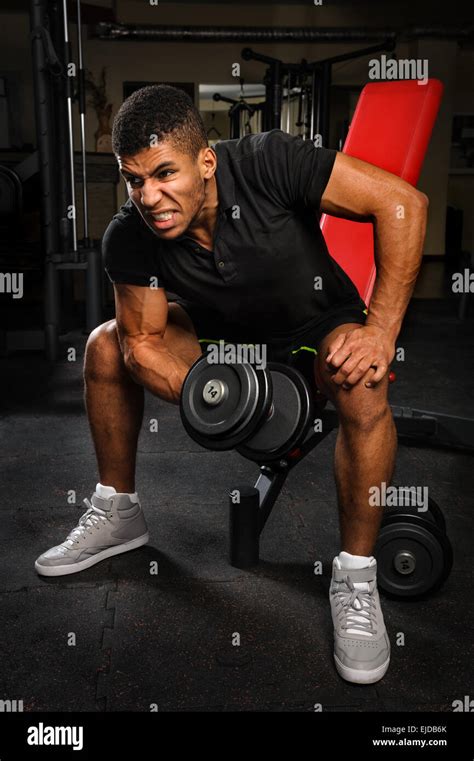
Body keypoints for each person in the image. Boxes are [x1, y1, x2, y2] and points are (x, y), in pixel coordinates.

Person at [35, 85, 428, 685]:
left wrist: (380, 331)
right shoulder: (130, 233)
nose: (150, 197)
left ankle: (354, 575)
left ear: (206, 161)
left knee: (363, 386)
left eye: (165, 173)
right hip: (219, 346)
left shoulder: (271, 160)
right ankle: (118, 511)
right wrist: (218, 395)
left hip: (316, 323)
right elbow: (143, 344)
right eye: (134, 179)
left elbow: (402, 204)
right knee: (105, 346)